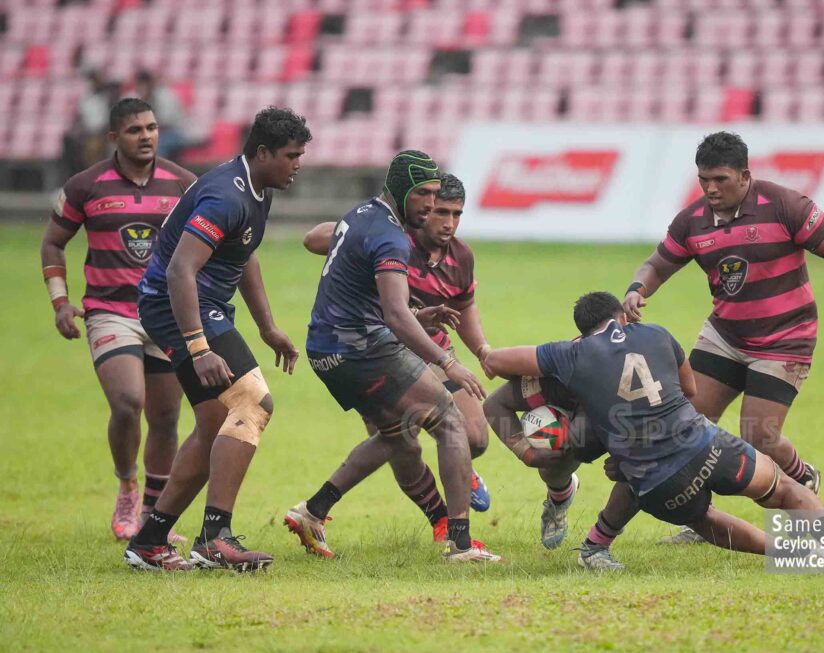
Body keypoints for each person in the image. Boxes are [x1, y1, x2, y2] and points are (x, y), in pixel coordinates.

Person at [621, 132, 824, 543]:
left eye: (720, 179)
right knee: (686, 427)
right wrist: (636, 290)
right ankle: (703, 521)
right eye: (703, 180)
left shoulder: (787, 206)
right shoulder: (692, 220)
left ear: (745, 176)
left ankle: (803, 477)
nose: (710, 189)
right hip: (725, 336)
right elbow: (658, 264)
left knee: (758, 436)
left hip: (785, 338)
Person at [483, 292, 824, 560]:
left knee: (703, 519)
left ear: (582, 335)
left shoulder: (570, 355)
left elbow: (496, 362)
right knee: (783, 489)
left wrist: (486, 354)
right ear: (622, 315)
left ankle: (786, 553)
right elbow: (691, 391)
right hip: (702, 443)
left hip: (655, 480)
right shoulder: (656, 334)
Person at [285, 151, 499, 563]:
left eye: (436, 196)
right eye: (423, 195)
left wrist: (422, 315)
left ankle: (313, 511)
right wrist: (448, 362)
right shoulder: (393, 238)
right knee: (449, 420)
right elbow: (395, 317)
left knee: (395, 435)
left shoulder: (361, 213)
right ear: (401, 189)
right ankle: (460, 543)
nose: (429, 205)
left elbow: (377, 305)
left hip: (327, 348)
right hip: (362, 348)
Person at [123, 107, 311, 571]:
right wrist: (198, 346)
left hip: (201, 306)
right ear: (262, 152)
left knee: (214, 425)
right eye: (291, 155)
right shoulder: (226, 195)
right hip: (176, 305)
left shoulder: (256, 189)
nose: (298, 164)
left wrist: (267, 326)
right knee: (254, 403)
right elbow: (180, 270)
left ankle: (149, 541)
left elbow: (242, 254)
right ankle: (214, 537)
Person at [41, 98, 197, 542]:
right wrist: (60, 302)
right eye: (134, 130)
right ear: (113, 138)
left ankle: (151, 514)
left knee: (166, 418)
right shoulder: (84, 186)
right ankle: (127, 485)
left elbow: (209, 243)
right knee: (129, 401)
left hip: (166, 314)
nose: (146, 136)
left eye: (151, 128)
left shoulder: (183, 184)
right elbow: (53, 243)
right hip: (110, 312)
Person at [482, 367, 641, 570]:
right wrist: (528, 454)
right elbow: (494, 404)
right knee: (559, 449)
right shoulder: (564, 368)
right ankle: (561, 497)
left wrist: (629, 454)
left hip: (630, 421)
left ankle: (598, 543)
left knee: (647, 464)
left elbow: (685, 396)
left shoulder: (636, 369)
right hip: (580, 418)